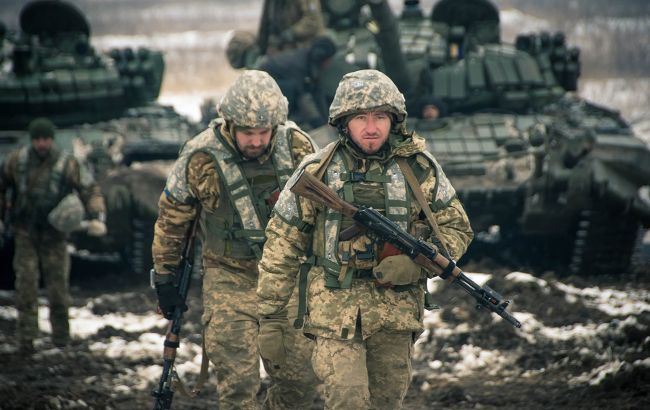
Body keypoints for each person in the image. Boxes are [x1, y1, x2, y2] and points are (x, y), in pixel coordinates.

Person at [257, 69, 474, 409]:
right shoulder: (318, 170)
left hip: (395, 314)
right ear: (344, 122)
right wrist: (270, 317)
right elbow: (281, 244)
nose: (371, 127)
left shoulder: (419, 169)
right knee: (348, 400)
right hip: (333, 312)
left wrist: (416, 266)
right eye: (361, 117)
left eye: (380, 117)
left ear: (394, 120)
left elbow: (457, 228)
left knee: (387, 402)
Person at [151, 70, 318, 410]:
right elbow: (172, 220)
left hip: (287, 279)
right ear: (229, 123)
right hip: (229, 278)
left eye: (263, 132)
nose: (255, 141)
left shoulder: (298, 147)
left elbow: (325, 211)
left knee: (299, 383)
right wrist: (165, 277)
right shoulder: (200, 157)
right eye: (247, 133)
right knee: (238, 386)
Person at [0, 117, 107, 354]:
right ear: (31, 140)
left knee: (58, 288)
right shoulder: (17, 161)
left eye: (46, 139)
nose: (42, 144)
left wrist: (96, 215)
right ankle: (26, 340)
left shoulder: (66, 163)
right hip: (25, 231)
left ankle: (61, 338)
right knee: (25, 286)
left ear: (52, 139)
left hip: (55, 234)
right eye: (37, 139)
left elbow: (89, 188)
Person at [258, 35, 337, 129]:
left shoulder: (311, 60)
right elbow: (303, 98)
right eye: (329, 60)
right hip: (265, 82)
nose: (330, 63)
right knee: (293, 91)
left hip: (282, 80)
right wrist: (319, 123)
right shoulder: (299, 66)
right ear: (322, 58)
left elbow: (317, 92)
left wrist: (327, 120)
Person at [257, 0, 325, 55]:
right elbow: (265, 23)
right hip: (282, 46)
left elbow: (312, 20)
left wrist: (291, 33)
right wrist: (262, 47)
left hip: (307, 47)